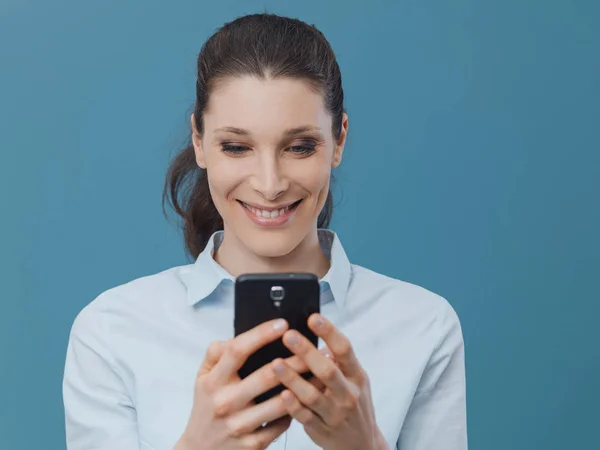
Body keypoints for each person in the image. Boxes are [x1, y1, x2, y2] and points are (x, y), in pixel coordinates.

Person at [62, 13, 467, 450]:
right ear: (198, 140)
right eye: (236, 147)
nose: (270, 184)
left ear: (340, 139)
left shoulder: (424, 325)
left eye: (299, 147)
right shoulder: (111, 331)